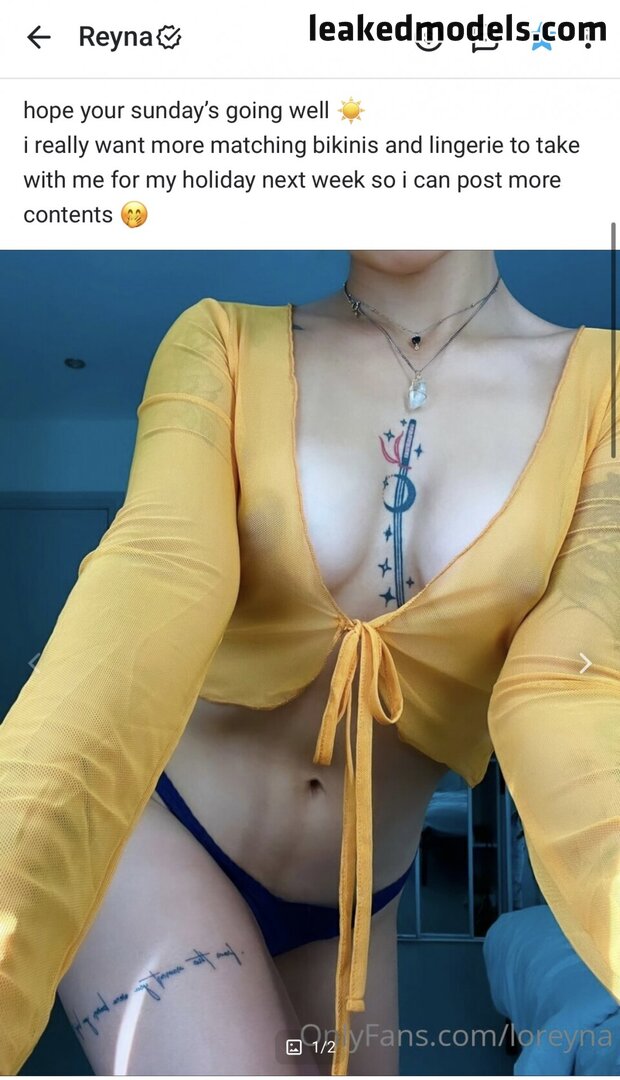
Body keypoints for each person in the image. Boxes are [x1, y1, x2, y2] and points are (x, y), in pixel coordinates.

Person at [0, 249, 618, 1077]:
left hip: (359, 906)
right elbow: (142, 601)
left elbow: (571, 687)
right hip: (165, 836)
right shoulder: (221, 342)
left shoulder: (607, 388)